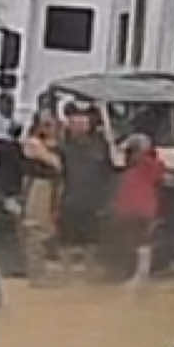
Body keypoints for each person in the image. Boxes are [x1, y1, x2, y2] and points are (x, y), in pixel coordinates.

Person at [58, 103, 118, 268]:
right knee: (67, 240)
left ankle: (89, 270)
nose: (78, 124)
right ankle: (67, 271)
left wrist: (107, 198)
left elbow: (110, 171)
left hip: (93, 199)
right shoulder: (62, 145)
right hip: (69, 199)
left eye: (82, 120)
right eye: (74, 120)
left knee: (92, 239)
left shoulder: (102, 145)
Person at [109, 132, 165, 286]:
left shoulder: (148, 164)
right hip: (131, 208)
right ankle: (136, 274)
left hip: (141, 209)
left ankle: (141, 275)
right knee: (134, 241)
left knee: (141, 241)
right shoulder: (136, 166)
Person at [21, 112, 63, 284]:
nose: (48, 129)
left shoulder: (57, 144)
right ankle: (36, 273)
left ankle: (44, 270)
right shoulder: (32, 143)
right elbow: (54, 162)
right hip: (39, 186)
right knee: (35, 229)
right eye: (44, 124)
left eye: (51, 124)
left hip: (55, 187)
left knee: (49, 229)